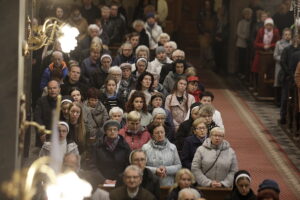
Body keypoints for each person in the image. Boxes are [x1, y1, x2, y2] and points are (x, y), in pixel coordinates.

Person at [89, 120, 131, 184]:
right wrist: (103, 180)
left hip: (121, 182)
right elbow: (92, 165)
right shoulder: (97, 146)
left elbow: (129, 166)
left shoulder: (125, 146)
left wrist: (119, 180)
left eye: (115, 129)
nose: (112, 132)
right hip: (101, 181)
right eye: (109, 130)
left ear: (118, 131)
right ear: (105, 131)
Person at [251, 18, 280, 88]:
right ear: (265, 25)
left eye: (270, 25)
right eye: (267, 25)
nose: (269, 27)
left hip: (271, 53)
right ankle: (257, 85)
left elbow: (278, 42)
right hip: (261, 53)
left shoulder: (276, 32)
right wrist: (263, 46)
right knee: (257, 69)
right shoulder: (260, 31)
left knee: (270, 70)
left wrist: (270, 46)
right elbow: (256, 43)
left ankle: (268, 87)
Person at [34, 80, 61, 146]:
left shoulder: (63, 101)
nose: (52, 90)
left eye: (54, 88)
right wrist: (42, 133)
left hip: (59, 135)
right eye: (50, 88)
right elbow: (37, 118)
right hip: (44, 135)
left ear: (59, 89)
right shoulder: (41, 101)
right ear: (47, 90)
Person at [273, 28, 292, 105]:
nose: (287, 36)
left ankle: (286, 102)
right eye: (286, 34)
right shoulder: (278, 43)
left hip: (288, 66)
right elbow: (275, 55)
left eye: (289, 34)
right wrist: (282, 60)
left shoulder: (292, 44)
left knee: (287, 82)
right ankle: (277, 100)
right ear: (283, 35)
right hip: (280, 65)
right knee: (279, 82)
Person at [236, 8, 252, 78]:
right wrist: (245, 37)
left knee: (246, 59)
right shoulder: (241, 22)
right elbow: (238, 32)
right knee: (241, 59)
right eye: (246, 14)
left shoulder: (251, 22)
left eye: (249, 14)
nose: (248, 15)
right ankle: (240, 72)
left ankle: (245, 73)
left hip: (248, 44)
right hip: (241, 43)